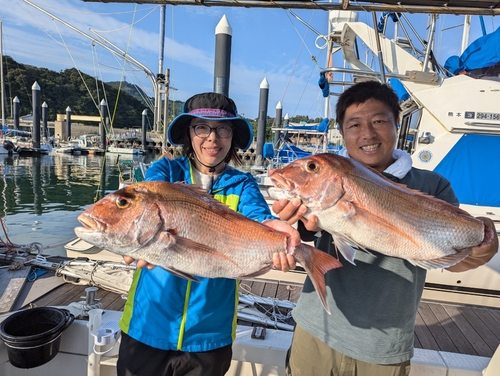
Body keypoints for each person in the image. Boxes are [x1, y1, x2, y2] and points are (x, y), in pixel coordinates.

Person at [272, 80, 499, 376]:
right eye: (354, 124)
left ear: (396, 125)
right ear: (342, 132)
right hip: (316, 330)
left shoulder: (433, 186)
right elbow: (306, 233)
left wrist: (486, 242)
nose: (367, 133)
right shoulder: (321, 198)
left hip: (384, 347)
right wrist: (291, 228)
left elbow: (459, 263)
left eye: (379, 121)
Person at [116, 92, 297, 376]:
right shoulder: (166, 169)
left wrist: (278, 236)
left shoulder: (243, 184)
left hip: (210, 335)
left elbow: (259, 220)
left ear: (233, 136)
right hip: (146, 325)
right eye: (201, 127)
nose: (212, 138)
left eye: (223, 129)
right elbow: (148, 198)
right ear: (188, 134)